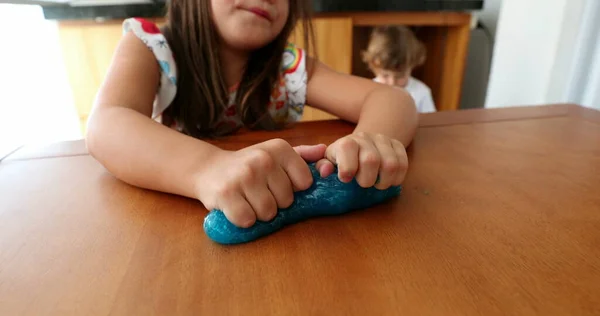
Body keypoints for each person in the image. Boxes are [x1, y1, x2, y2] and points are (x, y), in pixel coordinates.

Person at [86, 0, 418, 228]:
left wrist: (370, 141)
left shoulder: (285, 68)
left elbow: (390, 98)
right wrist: (208, 168)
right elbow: (107, 123)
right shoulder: (151, 45)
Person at [362, 25, 437, 113]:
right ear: (373, 67)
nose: (392, 83)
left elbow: (430, 122)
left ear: (412, 66)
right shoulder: (368, 91)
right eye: (385, 75)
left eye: (399, 76)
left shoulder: (422, 93)